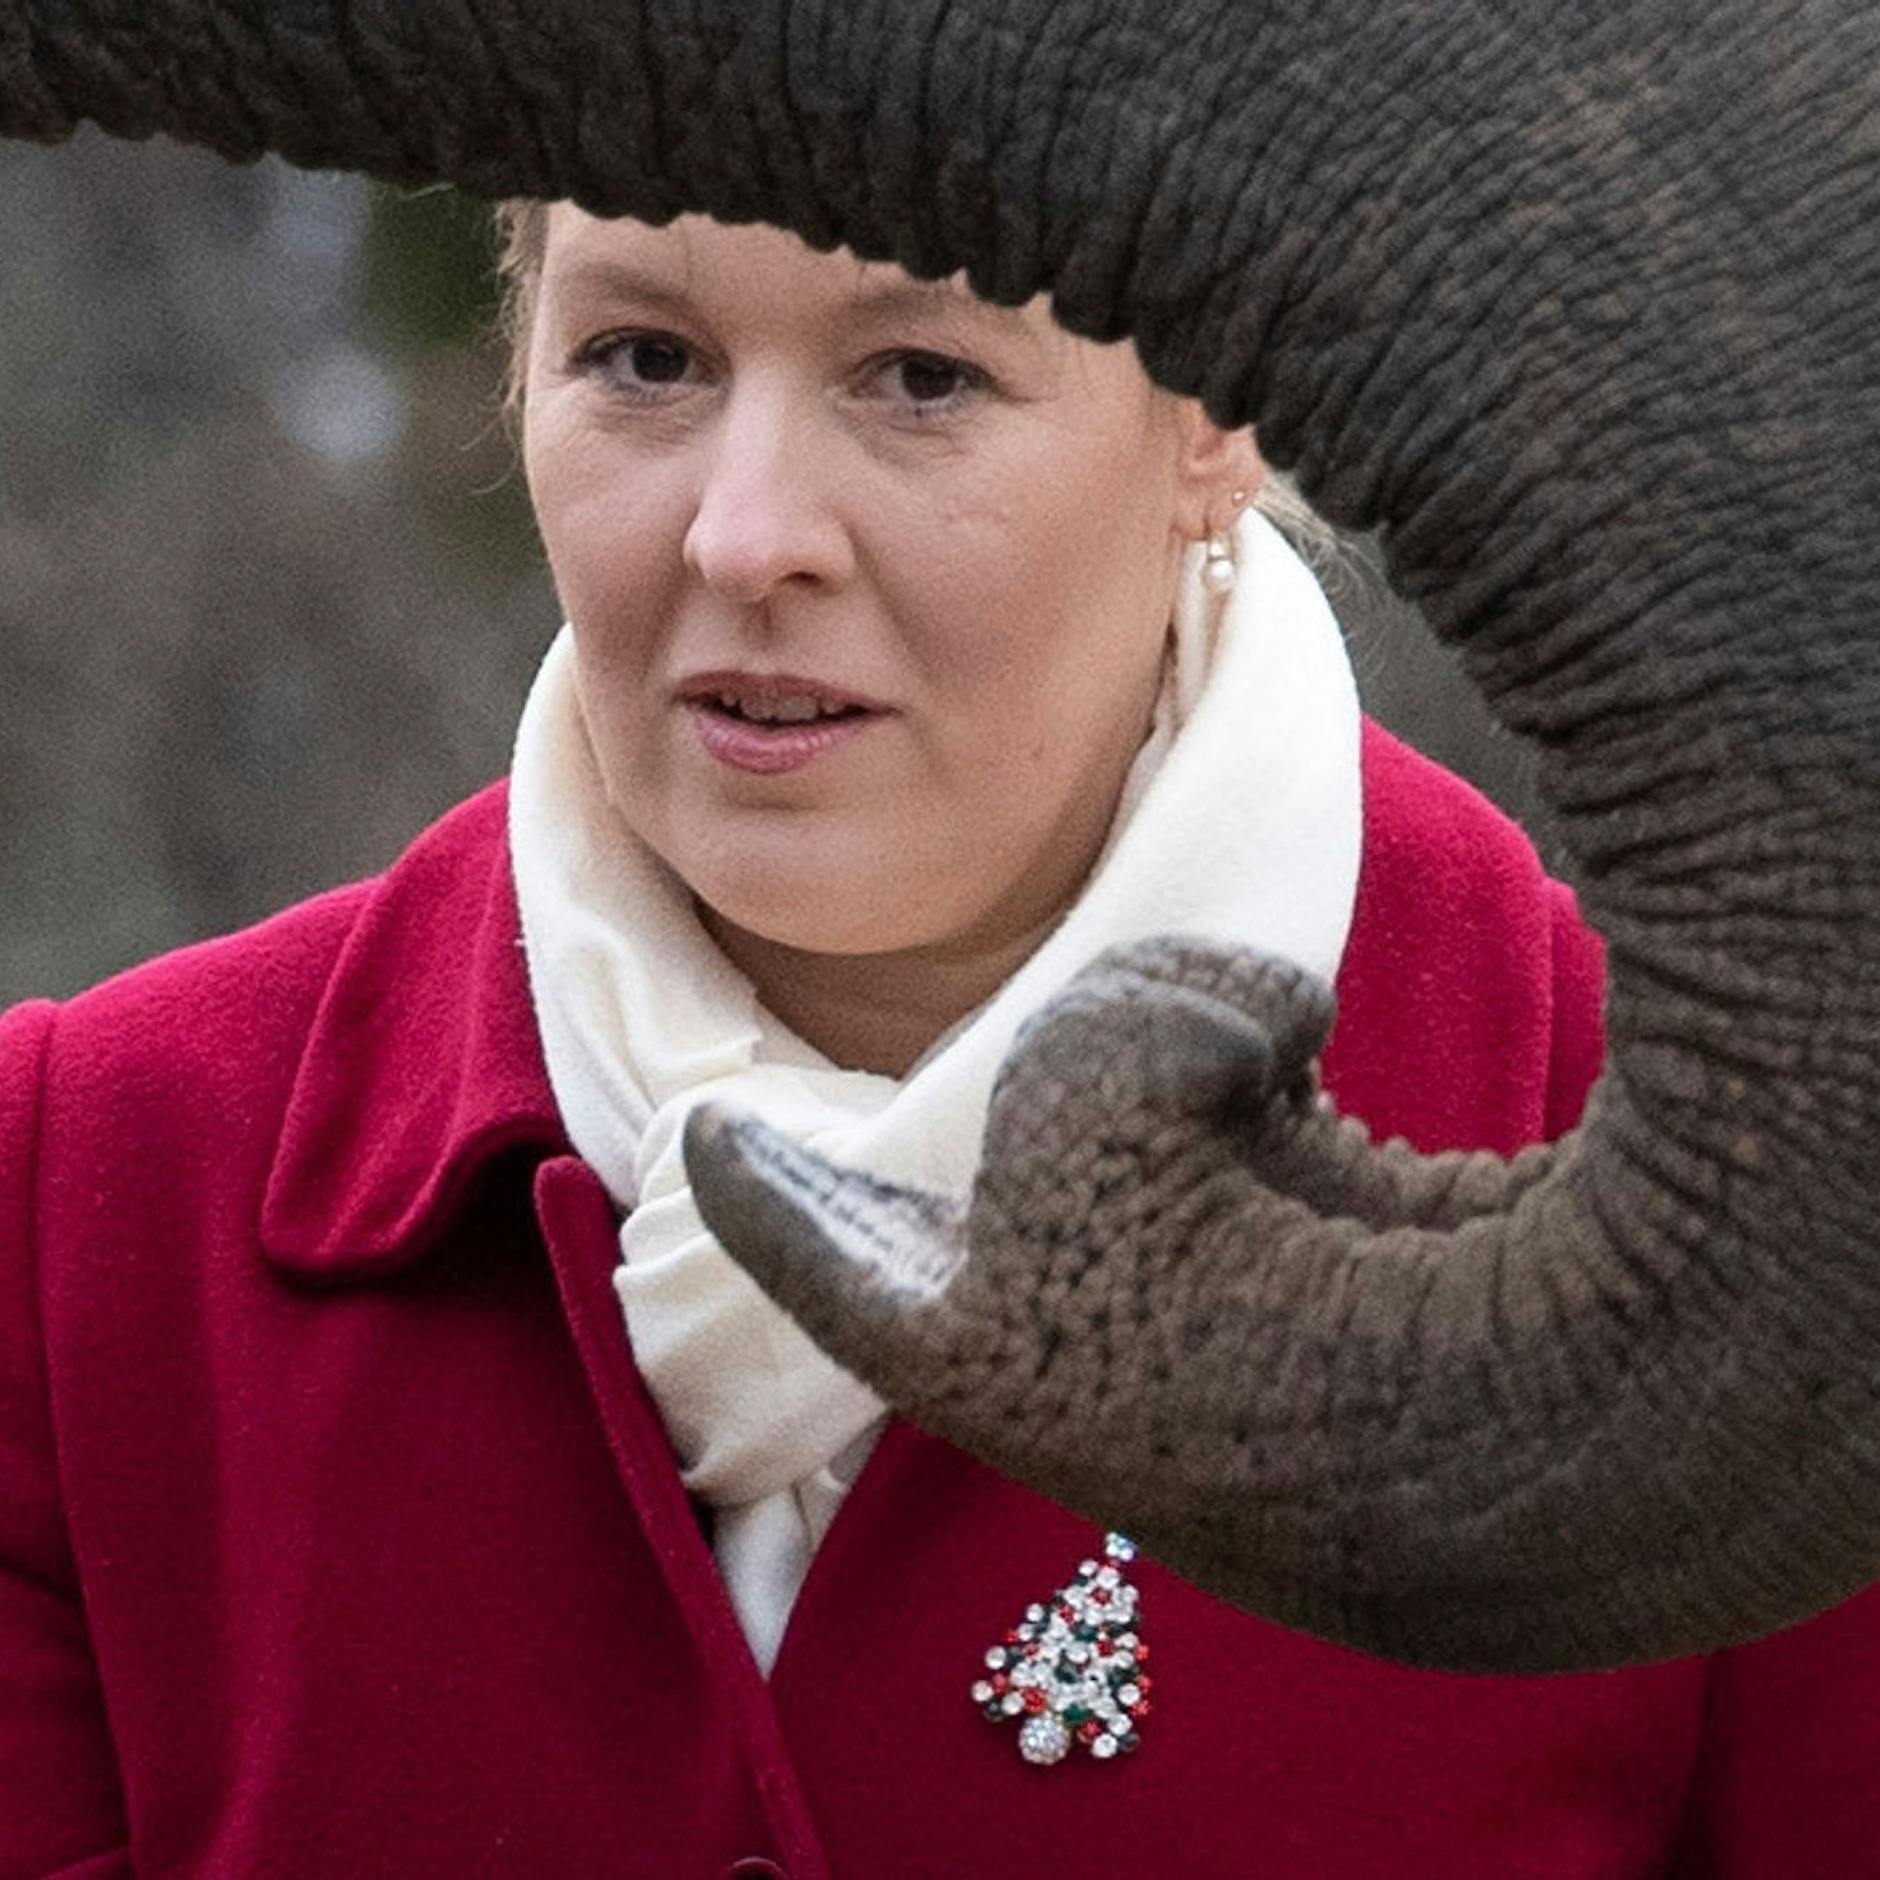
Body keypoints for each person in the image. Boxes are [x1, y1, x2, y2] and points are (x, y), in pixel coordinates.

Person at [3, 199, 1876, 1880]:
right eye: (643, 358)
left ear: (1221, 403)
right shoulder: (71, 1210)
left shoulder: (1735, 1234)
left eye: (922, 375)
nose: (745, 536)